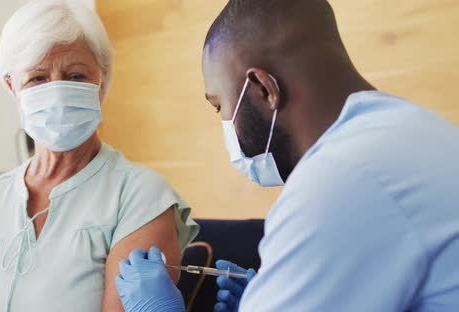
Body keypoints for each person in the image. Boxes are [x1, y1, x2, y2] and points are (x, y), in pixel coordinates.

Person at [115, 0, 459, 311]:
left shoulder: (340, 182)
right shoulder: (407, 131)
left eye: (219, 105)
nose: (224, 124)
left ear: (264, 89)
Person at [0, 1, 199, 311]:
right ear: (12, 86)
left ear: (102, 80)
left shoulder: (141, 198)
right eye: (37, 78)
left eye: (75, 76)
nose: (58, 91)